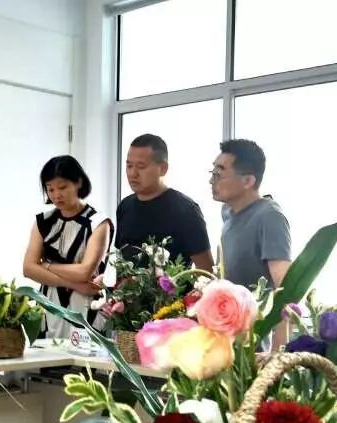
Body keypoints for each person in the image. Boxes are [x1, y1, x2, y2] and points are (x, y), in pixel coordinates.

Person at [210, 138, 291, 350]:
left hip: (254, 353)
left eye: (219, 173)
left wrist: (278, 353)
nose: (211, 180)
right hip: (227, 345)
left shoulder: (270, 217)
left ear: (248, 181)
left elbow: (287, 289)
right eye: (212, 172)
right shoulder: (228, 214)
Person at [23, 155, 113, 339]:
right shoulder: (43, 221)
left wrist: (46, 265)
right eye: (50, 189)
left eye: (62, 187)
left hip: (86, 306)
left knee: (83, 354)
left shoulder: (98, 222)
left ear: (78, 182)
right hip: (49, 305)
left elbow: (84, 272)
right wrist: (72, 283)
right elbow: (28, 269)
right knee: (47, 354)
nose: (56, 195)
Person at [115, 133, 213, 271]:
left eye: (141, 166)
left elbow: (206, 271)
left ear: (163, 169)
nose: (132, 173)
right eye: (129, 166)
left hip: (171, 285)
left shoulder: (186, 211)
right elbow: (120, 258)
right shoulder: (125, 206)